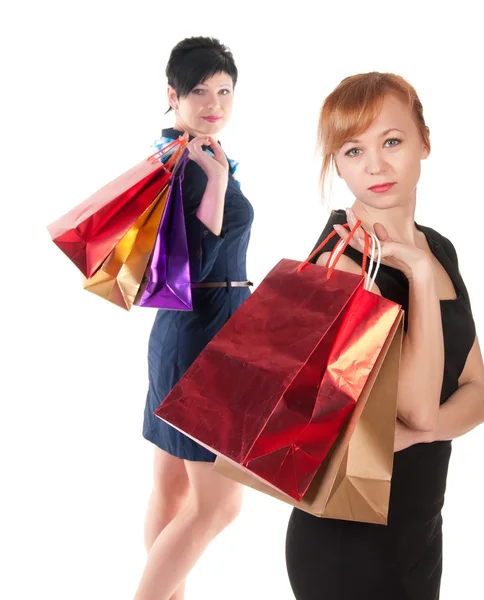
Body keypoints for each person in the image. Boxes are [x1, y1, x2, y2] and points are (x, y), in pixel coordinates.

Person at [285, 72, 484, 599]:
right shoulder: (341, 264)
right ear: (336, 163)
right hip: (348, 538)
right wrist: (418, 277)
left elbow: (477, 395)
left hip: (419, 529)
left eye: (391, 142)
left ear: (425, 140)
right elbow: (421, 409)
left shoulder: (438, 247)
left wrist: (424, 435)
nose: (375, 165)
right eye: (352, 151)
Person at [134, 36, 253, 600]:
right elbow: (188, 264)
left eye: (225, 90)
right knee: (219, 503)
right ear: (172, 95)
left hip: (186, 337)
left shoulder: (193, 154)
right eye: (201, 90)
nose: (215, 103)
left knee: (172, 491)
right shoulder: (187, 163)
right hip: (202, 336)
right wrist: (219, 186)